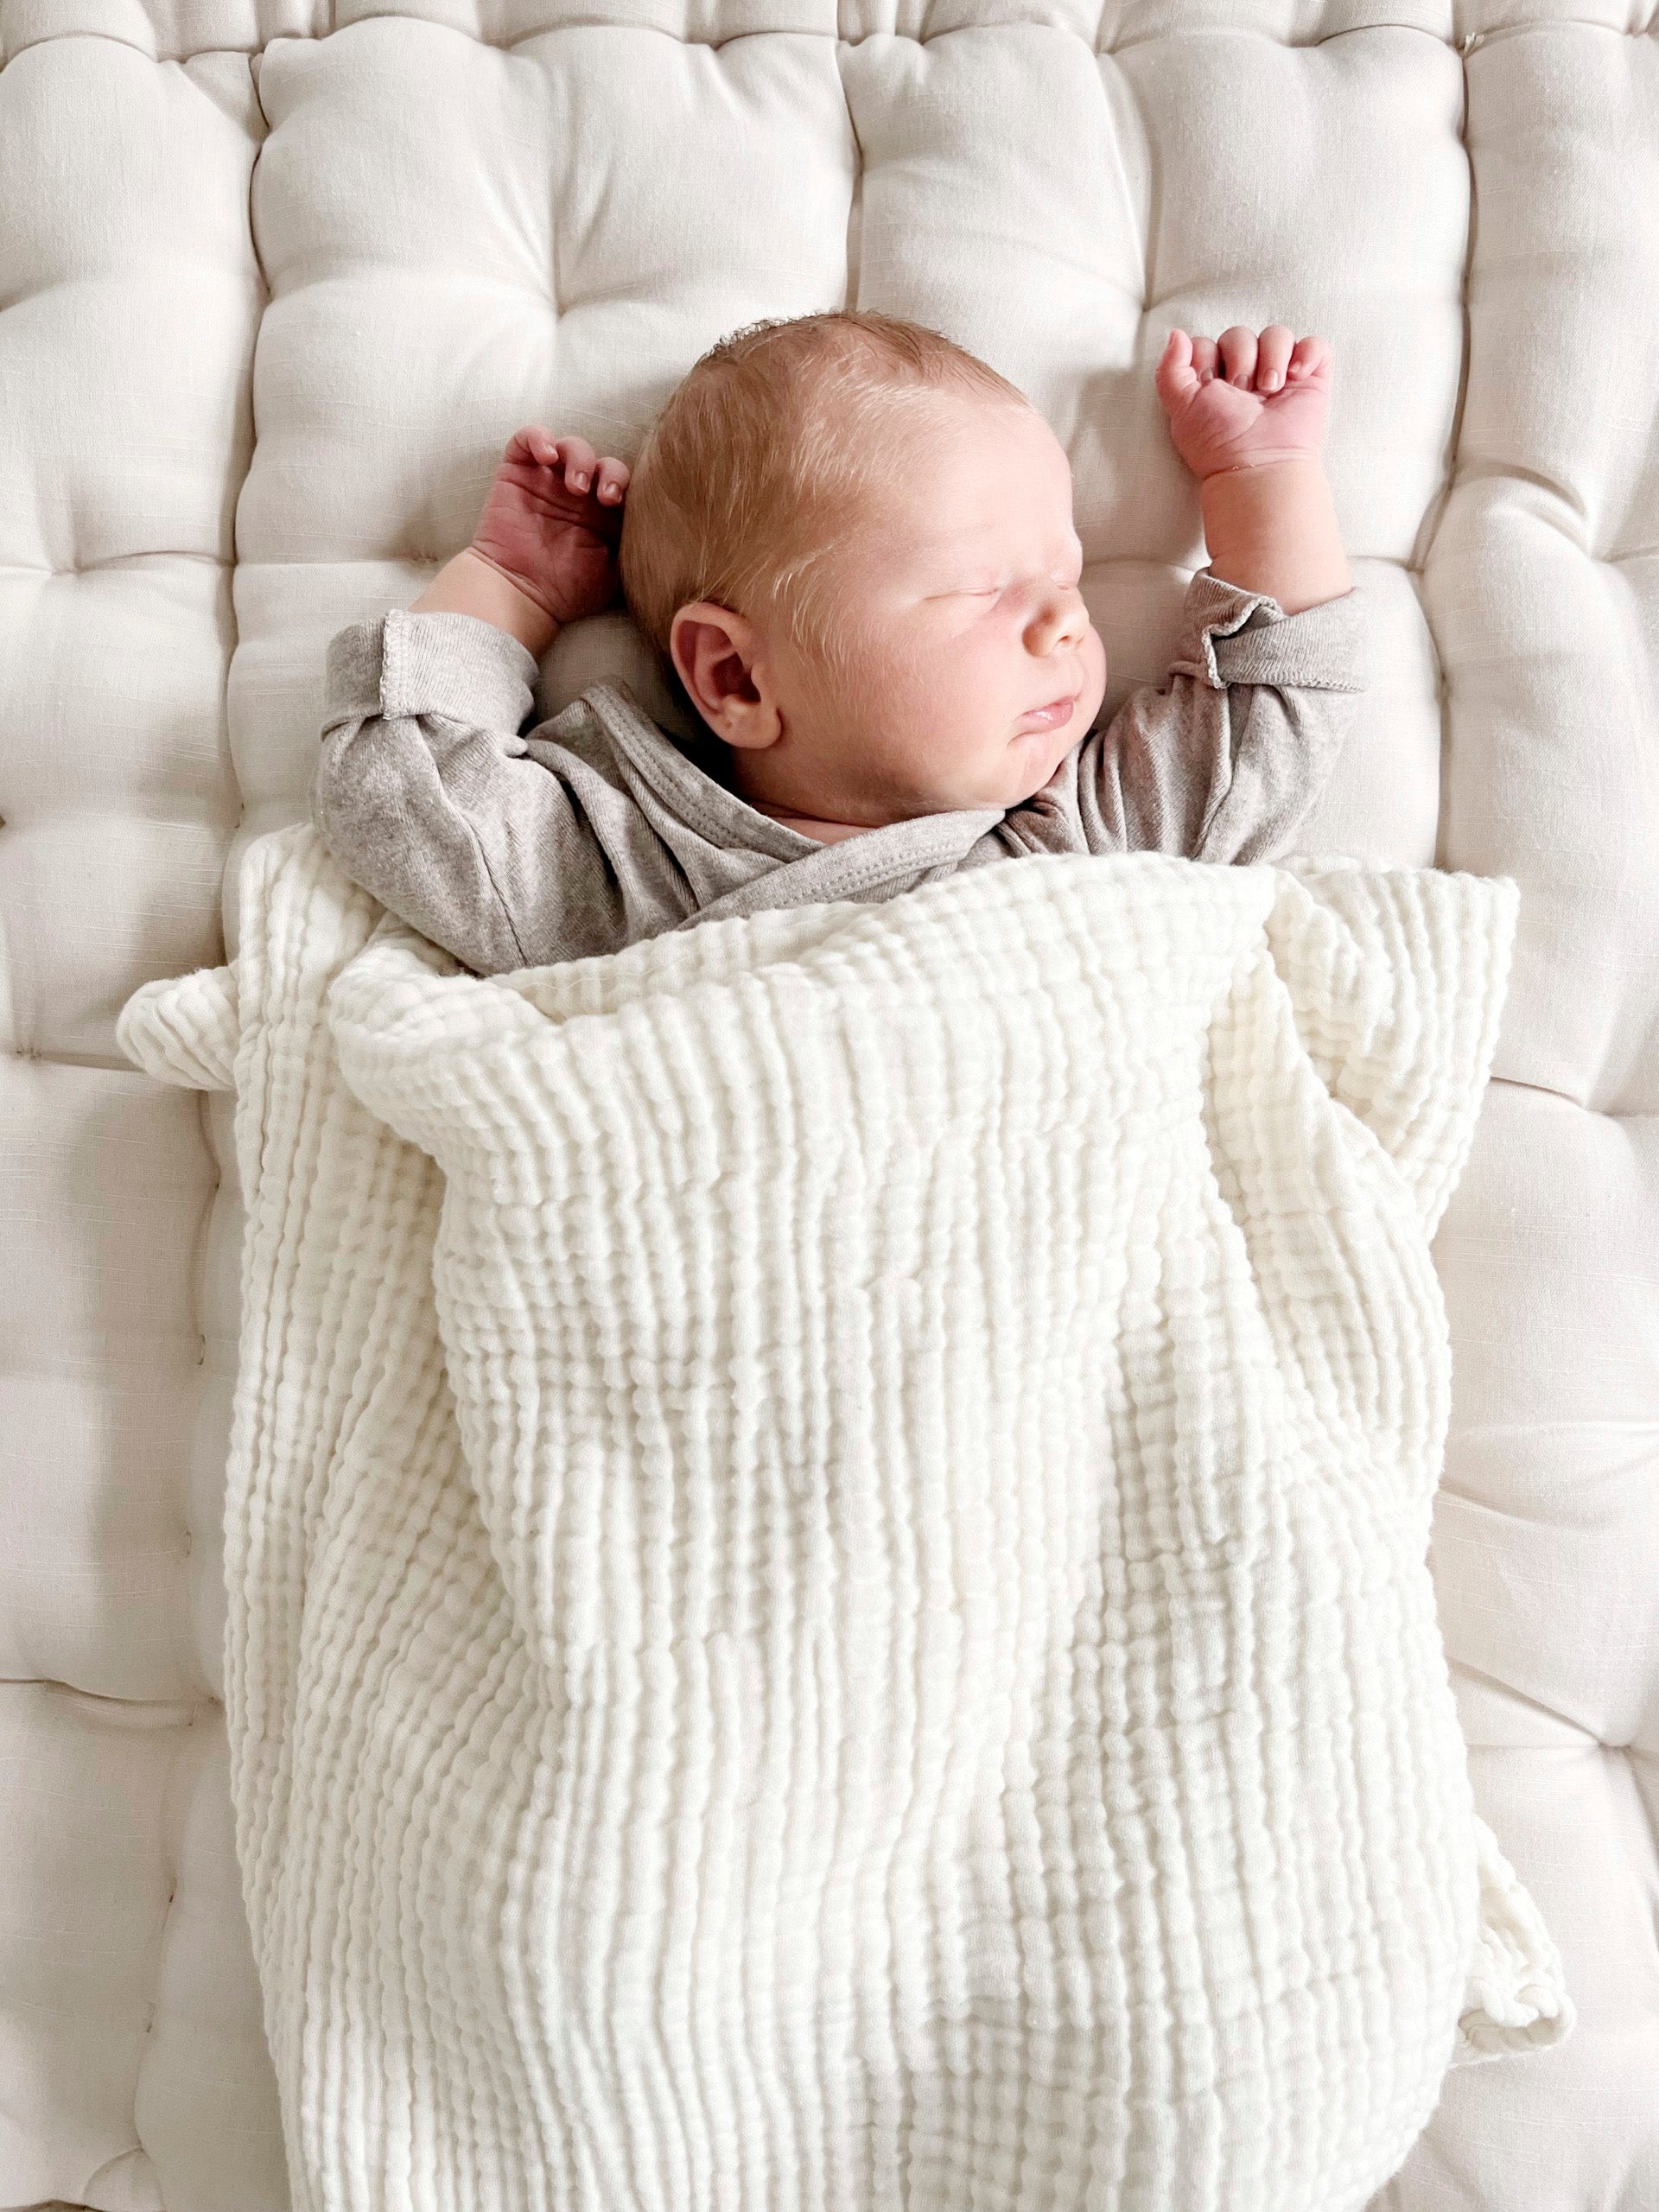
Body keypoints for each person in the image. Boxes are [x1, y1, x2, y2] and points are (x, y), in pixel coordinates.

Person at [308, 310, 1366, 976]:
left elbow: (1266, 731)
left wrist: (1261, 479)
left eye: (1068, 574)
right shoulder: (629, 868)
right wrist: (512, 587)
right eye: (984, 588)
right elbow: (400, 788)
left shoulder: (1073, 838)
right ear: (734, 674)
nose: (1067, 621)